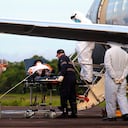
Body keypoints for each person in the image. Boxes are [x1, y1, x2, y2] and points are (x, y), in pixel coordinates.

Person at [104, 44, 128, 121]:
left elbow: (108, 65)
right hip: (122, 78)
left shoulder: (109, 52)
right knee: (122, 96)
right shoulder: (125, 53)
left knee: (110, 97)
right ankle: (125, 113)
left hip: (111, 78)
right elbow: (127, 67)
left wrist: (114, 77)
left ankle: (111, 115)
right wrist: (122, 77)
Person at [70, 11, 95, 84]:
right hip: (81, 47)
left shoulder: (87, 22)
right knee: (81, 62)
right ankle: (83, 77)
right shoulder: (80, 24)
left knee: (86, 62)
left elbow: (91, 35)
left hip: (86, 46)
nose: (75, 21)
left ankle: (88, 78)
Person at [56, 49, 77, 118]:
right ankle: (74, 113)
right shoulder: (68, 58)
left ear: (58, 54)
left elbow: (64, 66)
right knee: (72, 96)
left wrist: (61, 75)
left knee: (64, 95)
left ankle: (65, 113)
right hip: (73, 78)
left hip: (66, 78)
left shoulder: (62, 58)